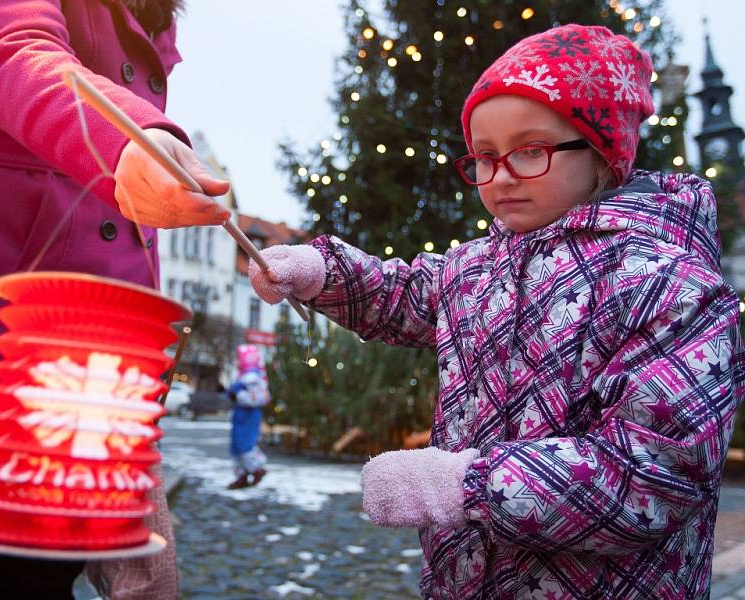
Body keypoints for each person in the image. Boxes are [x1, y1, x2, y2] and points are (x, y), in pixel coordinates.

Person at [248, 24, 745, 599]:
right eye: (485, 156)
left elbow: (653, 475)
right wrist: (322, 273)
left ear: (604, 154)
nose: (501, 174)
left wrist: (468, 486)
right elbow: (403, 295)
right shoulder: (479, 267)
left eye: (531, 150)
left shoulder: (669, 284)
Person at [0, 1, 230, 598]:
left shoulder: (151, 16)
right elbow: (17, 53)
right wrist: (130, 141)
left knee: (48, 578)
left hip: (86, 357)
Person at [226, 345, 270, 490]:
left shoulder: (252, 377)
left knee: (245, 445)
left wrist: (238, 396)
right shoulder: (244, 375)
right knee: (236, 446)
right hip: (240, 414)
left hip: (249, 415)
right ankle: (242, 475)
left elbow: (259, 398)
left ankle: (257, 469)